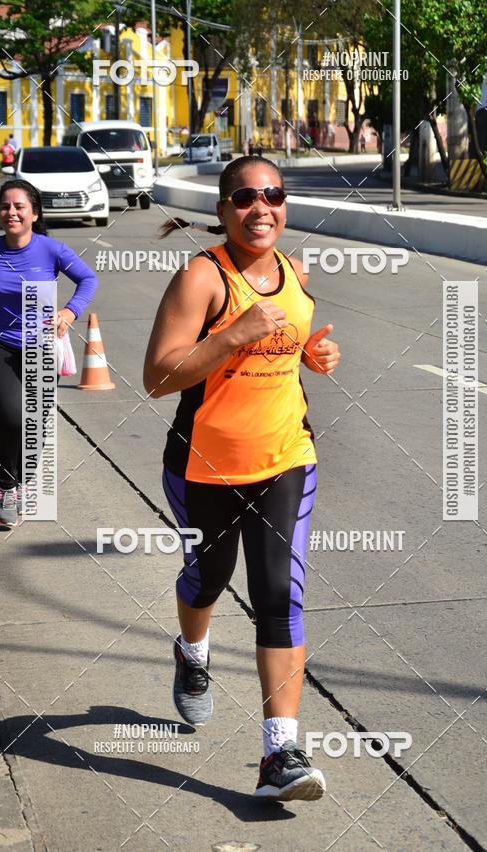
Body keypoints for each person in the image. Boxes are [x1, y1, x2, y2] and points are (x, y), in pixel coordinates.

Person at [144, 156, 340, 801]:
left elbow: (288, 347)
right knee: (207, 577)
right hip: (204, 464)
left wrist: (313, 355)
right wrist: (235, 334)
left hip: (286, 457)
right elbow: (159, 378)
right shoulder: (202, 276)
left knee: (279, 594)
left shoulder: (293, 271)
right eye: (246, 198)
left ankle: (279, 752)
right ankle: (192, 654)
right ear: (224, 209)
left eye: (274, 196)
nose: (262, 209)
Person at [0, 179, 97, 528]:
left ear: (34, 213)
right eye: (5, 206)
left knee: (35, 423)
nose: (11, 212)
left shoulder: (52, 250)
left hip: (41, 347)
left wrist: (70, 312)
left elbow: (88, 280)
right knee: (11, 416)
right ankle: (7, 486)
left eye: (19, 206)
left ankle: (24, 479)